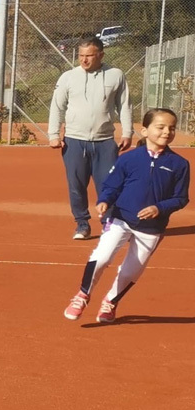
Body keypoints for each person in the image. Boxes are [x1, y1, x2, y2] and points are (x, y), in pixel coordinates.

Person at [62, 107, 188, 324]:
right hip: (120, 218)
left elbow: (181, 198)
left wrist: (159, 208)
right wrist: (104, 200)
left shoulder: (180, 164)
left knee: (131, 271)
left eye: (172, 128)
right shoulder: (128, 159)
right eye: (160, 127)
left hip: (151, 227)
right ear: (145, 130)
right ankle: (82, 295)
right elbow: (112, 185)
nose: (167, 132)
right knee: (102, 257)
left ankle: (111, 301)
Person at [48, 36, 136, 240]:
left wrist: (127, 132)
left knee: (109, 185)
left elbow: (125, 105)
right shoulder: (68, 77)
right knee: (76, 186)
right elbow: (57, 107)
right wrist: (53, 134)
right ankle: (82, 224)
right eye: (81, 55)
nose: (84, 60)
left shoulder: (115, 75)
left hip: (105, 142)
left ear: (101, 55)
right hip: (74, 141)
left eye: (89, 55)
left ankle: (109, 224)